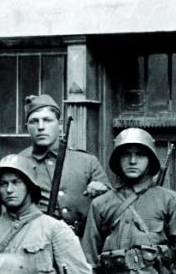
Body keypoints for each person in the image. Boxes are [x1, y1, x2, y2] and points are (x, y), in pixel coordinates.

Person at [83, 128, 176, 274]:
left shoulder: (169, 201)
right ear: (117, 160)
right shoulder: (101, 205)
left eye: (139, 155)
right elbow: (90, 261)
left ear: (150, 160)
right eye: (126, 155)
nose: (132, 161)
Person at [15, 94, 110, 235]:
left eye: (47, 120)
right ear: (27, 127)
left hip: (82, 241)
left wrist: (101, 189)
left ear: (60, 125)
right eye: (34, 121)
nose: (40, 127)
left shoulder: (87, 161)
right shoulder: (19, 163)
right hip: (36, 239)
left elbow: (111, 206)